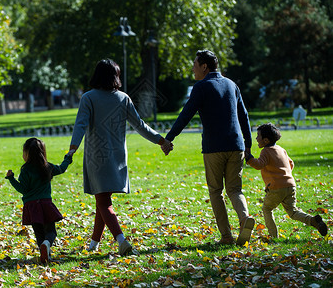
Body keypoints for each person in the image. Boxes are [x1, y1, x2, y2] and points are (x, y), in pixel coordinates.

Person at [69, 59, 173, 256]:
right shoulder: (123, 98)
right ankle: (93, 244)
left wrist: (73, 148)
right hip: (117, 158)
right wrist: (162, 141)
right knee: (102, 198)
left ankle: (121, 240)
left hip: (97, 157)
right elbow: (140, 126)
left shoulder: (88, 98)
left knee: (103, 200)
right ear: (115, 76)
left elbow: (80, 125)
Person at [163, 49, 254, 246]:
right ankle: (245, 218)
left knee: (215, 191)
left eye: (195, 65)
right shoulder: (232, 84)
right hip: (236, 145)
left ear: (204, 66)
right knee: (235, 189)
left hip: (214, 147)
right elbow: (244, 115)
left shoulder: (201, 87)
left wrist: (169, 138)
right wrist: (248, 144)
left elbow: (186, 114)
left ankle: (227, 236)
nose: (193, 69)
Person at [245, 123, 328, 238]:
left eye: (258, 136)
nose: (256, 138)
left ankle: (273, 236)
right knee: (293, 211)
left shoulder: (266, 151)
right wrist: (285, 175)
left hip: (275, 188)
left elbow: (259, 165)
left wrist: (249, 159)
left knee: (267, 209)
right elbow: (291, 163)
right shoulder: (281, 149)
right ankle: (313, 221)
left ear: (265, 140)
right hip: (290, 185)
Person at [5, 137, 74, 264]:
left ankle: (44, 252)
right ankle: (47, 245)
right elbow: (62, 168)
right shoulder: (47, 167)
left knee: (39, 233)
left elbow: (23, 189)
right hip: (46, 204)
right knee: (51, 232)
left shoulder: (25, 170)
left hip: (32, 206)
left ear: (27, 154)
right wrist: (68, 157)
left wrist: (11, 179)